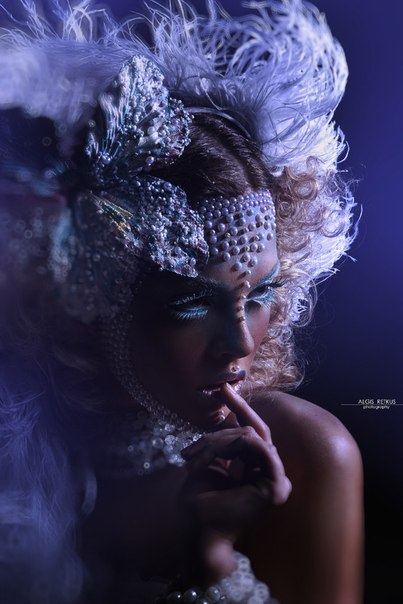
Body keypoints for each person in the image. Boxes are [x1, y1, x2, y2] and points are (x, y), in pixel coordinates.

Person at [0, 1, 363, 603]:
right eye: (192, 304)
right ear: (95, 300)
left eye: (262, 293)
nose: (241, 342)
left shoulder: (306, 455)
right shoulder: (25, 449)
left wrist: (212, 559)